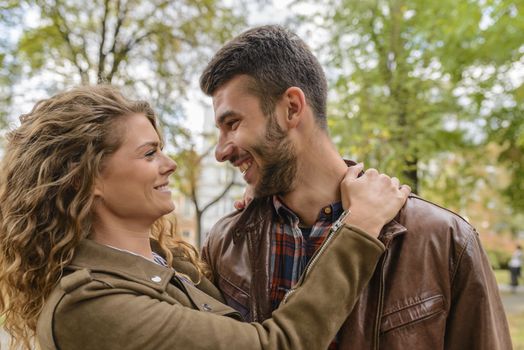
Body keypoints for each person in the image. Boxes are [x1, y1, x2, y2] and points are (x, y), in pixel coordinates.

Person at [0, 85, 409, 350]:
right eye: (149, 153)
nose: (171, 163)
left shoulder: (163, 265)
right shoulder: (88, 306)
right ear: (87, 179)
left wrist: (265, 184)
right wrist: (358, 227)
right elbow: (277, 344)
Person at [199, 25, 512, 349]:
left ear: (291, 108)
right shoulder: (225, 245)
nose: (221, 151)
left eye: (232, 124)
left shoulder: (445, 241)